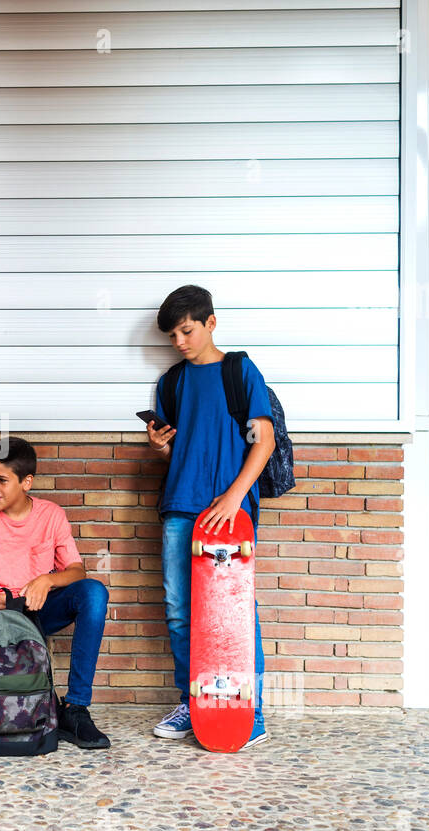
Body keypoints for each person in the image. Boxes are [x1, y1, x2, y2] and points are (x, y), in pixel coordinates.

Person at [145, 285, 275, 749]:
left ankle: (250, 713)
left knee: (235, 613)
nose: (180, 341)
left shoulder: (240, 370)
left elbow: (264, 441)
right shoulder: (172, 383)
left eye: (187, 330)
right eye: (173, 335)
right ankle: (192, 702)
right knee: (181, 612)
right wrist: (162, 450)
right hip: (180, 506)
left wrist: (234, 497)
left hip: (229, 513)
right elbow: (181, 449)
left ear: (211, 322)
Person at [0, 436, 112, 749]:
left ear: (27, 482)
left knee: (93, 593)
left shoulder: (51, 515)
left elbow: (77, 572)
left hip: (37, 610)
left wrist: (47, 581)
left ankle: (75, 709)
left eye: (2, 480)